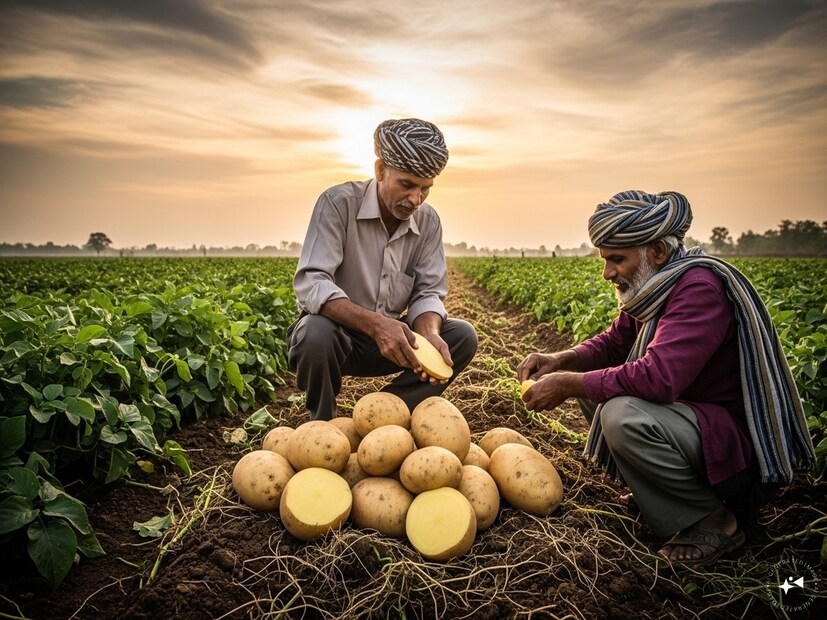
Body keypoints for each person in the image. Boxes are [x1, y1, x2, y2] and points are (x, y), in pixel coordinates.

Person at [517, 190, 815, 566]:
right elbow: (615, 342)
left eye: (616, 259)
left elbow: (659, 379)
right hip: (695, 428)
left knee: (620, 413)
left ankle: (715, 519)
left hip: (731, 454)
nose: (607, 272)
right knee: (592, 385)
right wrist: (560, 360)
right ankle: (664, 495)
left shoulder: (698, 287)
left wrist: (566, 383)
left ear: (656, 250)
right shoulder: (656, 287)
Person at [288, 118, 478, 421]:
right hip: (339, 339)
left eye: (425, 188)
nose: (416, 199)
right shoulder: (338, 204)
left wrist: (429, 332)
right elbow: (313, 282)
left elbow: (428, 291)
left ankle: (385, 416)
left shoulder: (429, 222)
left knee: (462, 337)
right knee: (314, 332)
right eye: (407, 185)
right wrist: (377, 326)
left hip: (393, 342)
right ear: (380, 170)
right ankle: (321, 423)